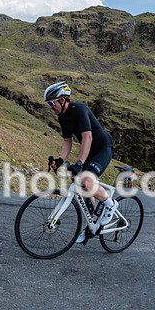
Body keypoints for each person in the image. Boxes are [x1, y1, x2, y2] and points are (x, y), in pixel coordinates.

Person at [44, 81, 116, 239]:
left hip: (102, 148)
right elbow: (67, 141)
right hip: (90, 150)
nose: (50, 107)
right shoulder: (62, 117)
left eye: (51, 102)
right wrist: (60, 159)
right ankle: (92, 224)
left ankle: (110, 205)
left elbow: (87, 137)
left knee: (86, 180)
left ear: (62, 99)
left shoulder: (80, 109)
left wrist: (79, 163)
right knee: (79, 182)